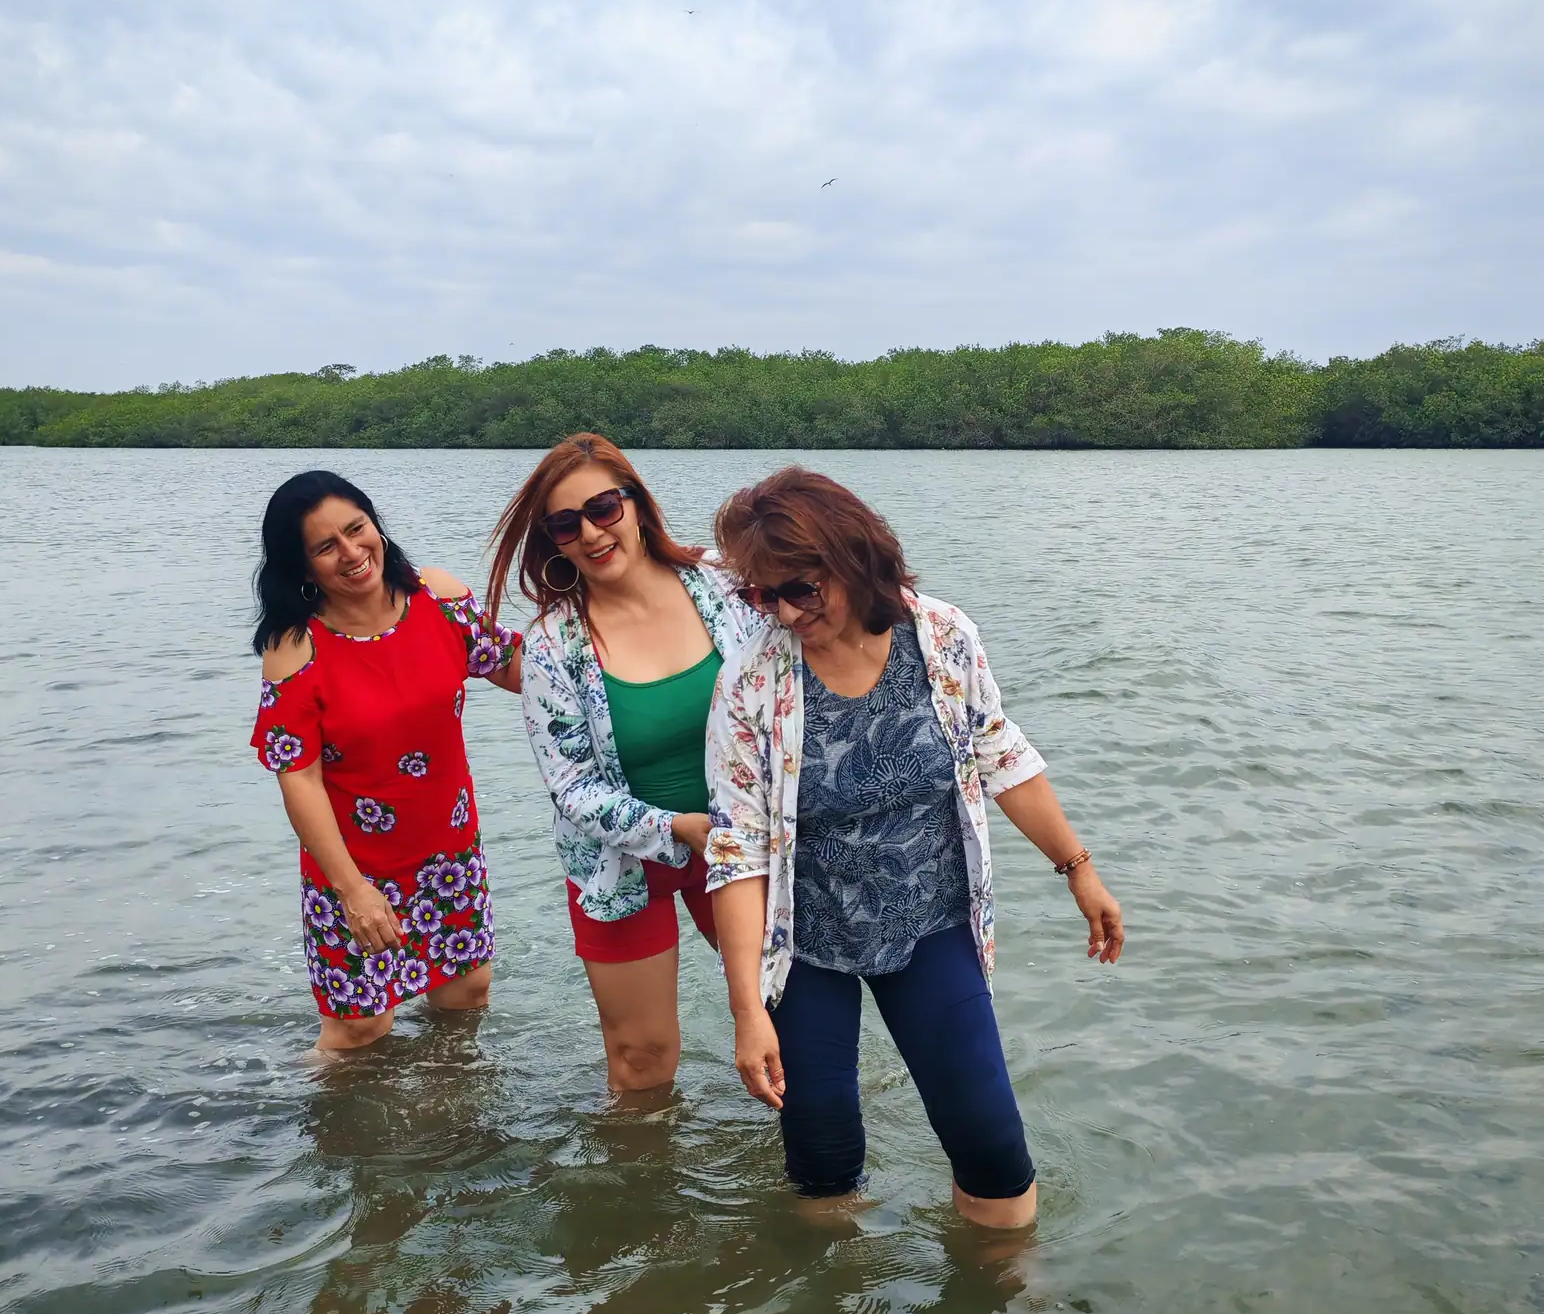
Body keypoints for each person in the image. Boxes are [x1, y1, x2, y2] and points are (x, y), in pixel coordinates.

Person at [705, 468, 1124, 1228]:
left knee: (991, 1141)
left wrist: (1078, 870)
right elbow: (739, 851)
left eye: (799, 588)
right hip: (808, 941)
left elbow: (1003, 755)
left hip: (930, 916)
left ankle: (1006, 1309)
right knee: (821, 1156)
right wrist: (746, 1010)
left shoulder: (941, 636)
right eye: (759, 596)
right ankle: (842, 1312)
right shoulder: (752, 678)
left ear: (853, 557)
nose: (782, 612)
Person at [488, 434, 761, 1096]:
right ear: (553, 540)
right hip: (617, 864)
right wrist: (679, 828)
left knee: (789, 1023)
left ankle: (815, 1174)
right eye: (565, 523)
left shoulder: (726, 584)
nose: (590, 531)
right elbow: (572, 788)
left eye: (604, 507)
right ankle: (640, 1195)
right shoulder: (554, 644)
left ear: (637, 503)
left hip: (743, 845)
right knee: (643, 1059)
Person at [251, 470, 522, 1054]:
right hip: (354, 870)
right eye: (326, 547)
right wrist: (353, 891)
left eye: (357, 529)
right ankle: (336, 1139)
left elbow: (516, 668)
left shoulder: (440, 598)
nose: (351, 553)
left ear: (376, 525)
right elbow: (298, 778)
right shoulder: (295, 647)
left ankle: (451, 1132)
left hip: (449, 854)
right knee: (358, 1027)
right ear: (301, 566)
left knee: (466, 994)